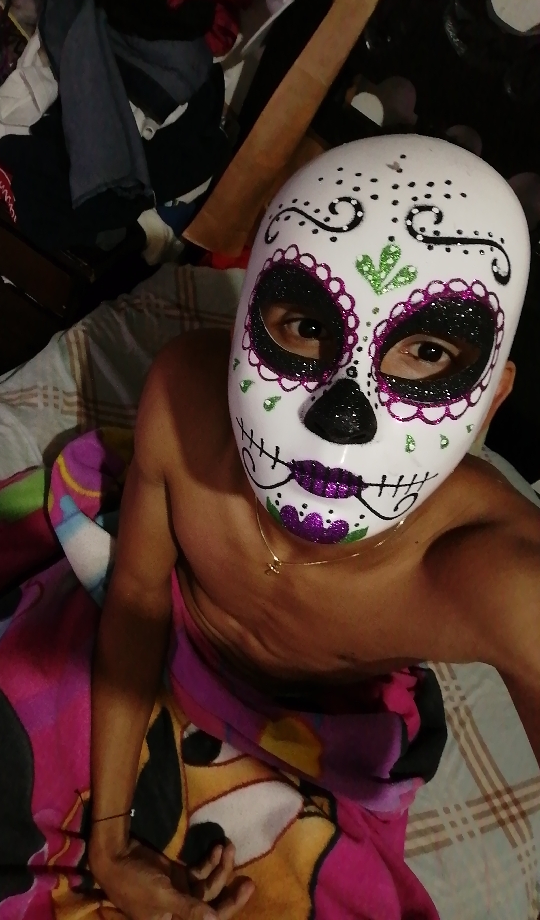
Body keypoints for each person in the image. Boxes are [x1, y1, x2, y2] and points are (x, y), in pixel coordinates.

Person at [88, 134, 540, 920]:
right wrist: (107, 844)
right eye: (306, 325)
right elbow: (135, 596)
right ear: (246, 320)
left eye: (427, 351)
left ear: (489, 404)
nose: (341, 416)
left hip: (327, 735)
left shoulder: (489, 570)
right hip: (163, 665)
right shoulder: (182, 400)